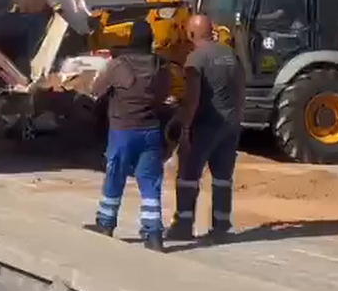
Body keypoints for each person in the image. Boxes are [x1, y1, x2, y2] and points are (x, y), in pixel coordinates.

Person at [85, 19, 171, 251]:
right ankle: (154, 236)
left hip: (123, 130)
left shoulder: (118, 65)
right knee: (150, 183)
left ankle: (105, 224)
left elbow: (95, 91)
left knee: (115, 176)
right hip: (151, 130)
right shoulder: (160, 66)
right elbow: (165, 95)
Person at [166, 14, 246, 244]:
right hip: (230, 125)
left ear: (191, 34)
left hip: (205, 125)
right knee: (223, 177)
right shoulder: (231, 55)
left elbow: (192, 99)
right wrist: (236, 119)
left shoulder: (196, 59)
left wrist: (183, 129)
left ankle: (183, 225)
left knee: (188, 176)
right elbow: (241, 89)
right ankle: (221, 226)